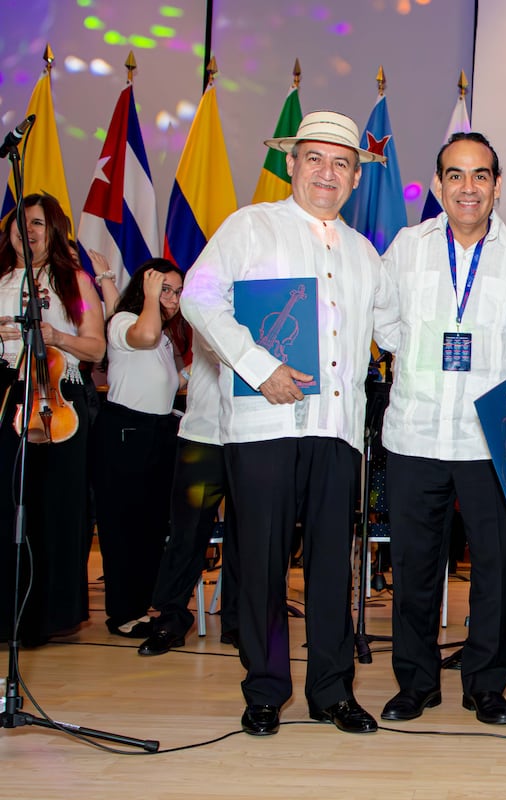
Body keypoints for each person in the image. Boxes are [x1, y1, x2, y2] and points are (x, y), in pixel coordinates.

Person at [180, 110, 393, 737]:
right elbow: (198, 295)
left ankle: (332, 690)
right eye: (315, 159)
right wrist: (256, 364)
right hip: (262, 424)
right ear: (292, 164)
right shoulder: (251, 227)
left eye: (342, 164)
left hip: (337, 429)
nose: (327, 173)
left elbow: (392, 331)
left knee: (333, 564)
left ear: (356, 178)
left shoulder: (364, 254)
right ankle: (266, 690)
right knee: (263, 562)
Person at [372, 132, 506, 727]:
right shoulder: (407, 245)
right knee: (415, 566)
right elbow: (383, 318)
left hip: (495, 433)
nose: (467, 187)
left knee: (497, 567)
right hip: (415, 429)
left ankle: (487, 685)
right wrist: (419, 355)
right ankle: (415, 683)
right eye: (455, 175)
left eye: (480, 176)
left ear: (497, 185)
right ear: (439, 183)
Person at [0, 193, 106, 646]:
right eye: (21, 222)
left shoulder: (73, 282)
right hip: (9, 394)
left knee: (52, 509)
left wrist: (55, 335)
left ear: (54, 230)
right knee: (7, 506)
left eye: (39, 222)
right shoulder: (1, 279)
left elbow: (96, 348)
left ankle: (46, 615)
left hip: (59, 399)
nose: (29, 230)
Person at [93, 259, 186, 637]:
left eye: (178, 291)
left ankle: (143, 605)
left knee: (150, 527)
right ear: (145, 288)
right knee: (123, 527)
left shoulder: (161, 334)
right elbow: (142, 336)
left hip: (157, 432)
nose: (173, 298)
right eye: (165, 288)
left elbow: (171, 382)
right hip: (125, 431)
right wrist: (146, 295)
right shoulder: (124, 324)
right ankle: (122, 613)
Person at [136, 335, 241, 655]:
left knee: (248, 536)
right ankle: (171, 617)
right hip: (202, 435)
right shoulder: (207, 291)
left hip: (252, 435)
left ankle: (238, 621)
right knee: (187, 533)